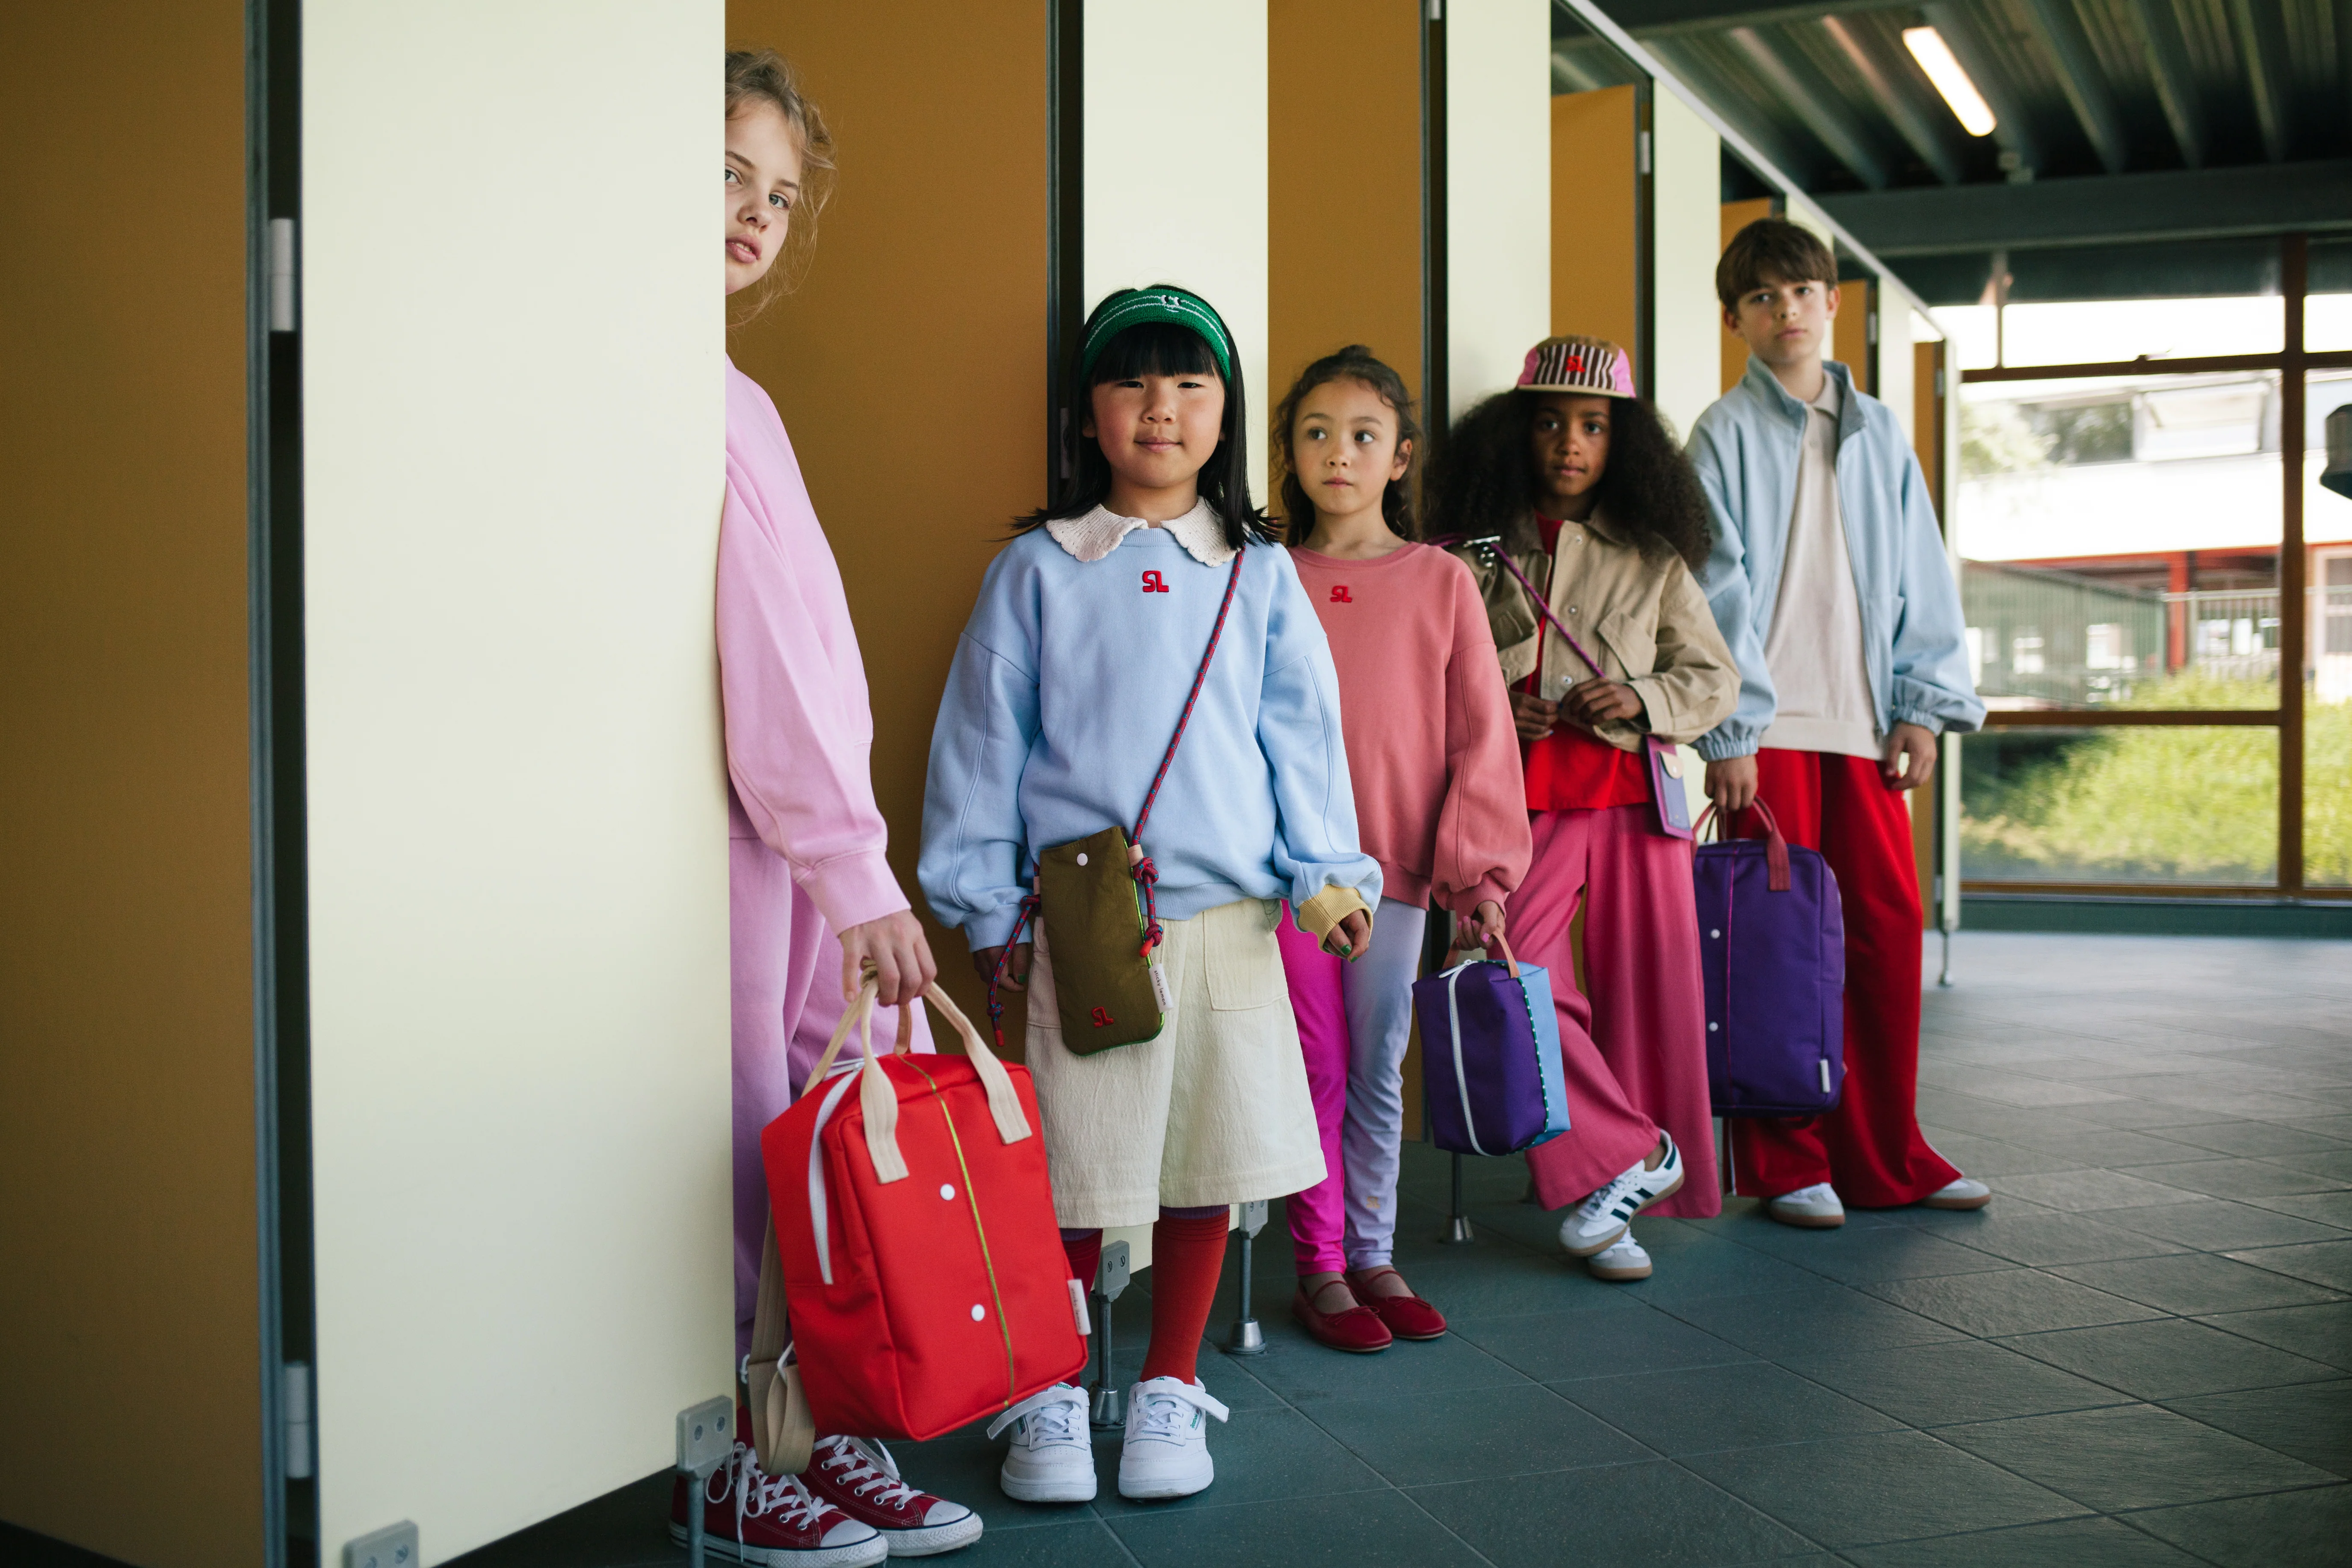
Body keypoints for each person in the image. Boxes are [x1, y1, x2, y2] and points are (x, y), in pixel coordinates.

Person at [919, 287, 1379, 1503]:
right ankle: (1053, 1393)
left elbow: (1303, 742)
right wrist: (983, 906)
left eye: (1190, 385)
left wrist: (1328, 876)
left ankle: (1170, 1385)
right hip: (1081, 925)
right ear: (1089, 414)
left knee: (1201, 1166)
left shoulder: (1261, 573)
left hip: (1227, 920)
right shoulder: (1036, 569)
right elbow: (982, 746)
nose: (1160, 409)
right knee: (1072, 1167)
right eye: (1132, 383)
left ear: (1227, 417)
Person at [688, 48, 981, 1564]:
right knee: (751, 1152)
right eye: (726, 173)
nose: (755, 214)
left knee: (817, 1147)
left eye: (779, 195)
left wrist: (843, 860)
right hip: (760, 848)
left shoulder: (736, 393)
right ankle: (737, 1457)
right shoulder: (656, 386)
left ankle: (823, 1428)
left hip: (801, 848)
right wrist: (853, 866)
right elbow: (758, 650)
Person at [1689, 217, 1989, 1228]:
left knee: (1884, 933)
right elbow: (1710, 591)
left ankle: (1887, 1156)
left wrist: (1922, 707)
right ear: (1735, 320)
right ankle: (1786, 1163)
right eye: (1763, 299)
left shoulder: (1879, 433)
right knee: (1774, 946)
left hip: (1864, 726)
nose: (1787, 312)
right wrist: (1727, 734)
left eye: (1801, 292)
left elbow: (1920, 576)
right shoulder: (1718, 436)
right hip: (1769, 737)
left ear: (1832, 303)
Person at [1433, 336, 1741, 1282]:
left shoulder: (1652, 559)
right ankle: (1627, 1155)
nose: (1570, 441)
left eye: (1594, 426)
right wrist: (1496, 699)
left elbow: (1713, 678)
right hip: (1521, 802)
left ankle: (1617, 1205)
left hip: (1633, 800)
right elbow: (1437, 669)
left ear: (1624, 443)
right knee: (1508, 974)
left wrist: (1640, 698)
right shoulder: (1469, 555)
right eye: (1551, 422)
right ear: (1516, 434)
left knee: (1651, 996)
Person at [1269, 347, 1529, 1349]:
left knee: (1378, 1064)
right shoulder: (1264, 576)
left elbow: (1479, 732)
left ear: (1400, 457)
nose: (1339, 454)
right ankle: (1318, 1266)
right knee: (1307, 1067)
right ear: (1289, 454)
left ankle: (1373, 1252)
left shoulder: (1441, 581)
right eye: (1317, 434)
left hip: (1401, 870)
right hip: (1290, 876)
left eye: (1363, 436)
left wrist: (1480, 873)